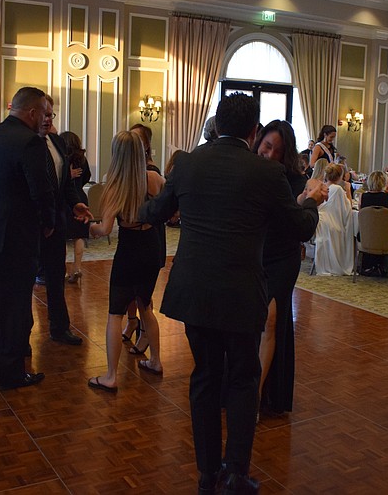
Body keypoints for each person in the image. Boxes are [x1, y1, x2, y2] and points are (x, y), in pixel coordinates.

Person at [138, 93, 323, 494]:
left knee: (204, 378)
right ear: (254, 132)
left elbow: (155, 212)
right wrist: (310, 201)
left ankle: (206, 475)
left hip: (195, 293)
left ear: (218, 124)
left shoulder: (187, 163)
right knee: (242, 380)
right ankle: (234, 474)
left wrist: (123, 211)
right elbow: (300, 228)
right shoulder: (266, 174)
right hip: (241, 295)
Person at [0, 87, 90, 391]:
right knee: (15, 304)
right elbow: (41, 191)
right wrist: (49, 223)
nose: (46, 120)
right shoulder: (30, 142)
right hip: (14, 235)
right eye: (43, 114)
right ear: (33, 113)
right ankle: (11, 373)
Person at [87, 131, 164, 392]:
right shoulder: (153, 179)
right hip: (152, 246)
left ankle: (110, 375)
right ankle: (155, 360)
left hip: (129, 250)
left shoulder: (114, 187)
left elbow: (106, 229)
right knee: (146, 307)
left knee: (115, 313)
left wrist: (90, 227)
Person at [252, 120, 313, 417]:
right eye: (267, 145)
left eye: (277, 150)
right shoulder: (250, 172)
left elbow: (296, 223)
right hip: (253, 255)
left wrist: (303, 201)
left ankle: (258, 393)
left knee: (272, 321)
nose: (270, 153)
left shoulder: (296, 182)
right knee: (252, 322)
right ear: (258, 142)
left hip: (282, 258)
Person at [37, 96, 84, 346]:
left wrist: (75, 201)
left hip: (57, 223)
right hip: (30, 227)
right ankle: (23, 336)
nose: (48, 119)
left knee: (56, 279)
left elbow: (64, 182)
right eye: (44, 114)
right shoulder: (24, 143)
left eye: (51, 115)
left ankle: (60, 328)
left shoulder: (56, 142)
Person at [125, 123, 167, 355]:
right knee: (133, 291)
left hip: (149, 238)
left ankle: (144, 334)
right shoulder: (130, 169)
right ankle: (133, 323)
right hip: (134, 241)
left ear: (146, 145)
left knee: (143, 295)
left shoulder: (151, 172)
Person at [59, 130, 91, 284]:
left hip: (67, 201)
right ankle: (77, 268)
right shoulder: (82, 159)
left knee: (63, 237)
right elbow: (87, 176)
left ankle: (63, 271)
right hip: (80, 197)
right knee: (79, 235)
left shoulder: (62, 159)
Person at [357, 170, 388, 276]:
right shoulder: (387, 197)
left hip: (366, 235)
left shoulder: (362, 197)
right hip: (384, 236)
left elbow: (361, 212)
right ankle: (382, 265)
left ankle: (368, 265)